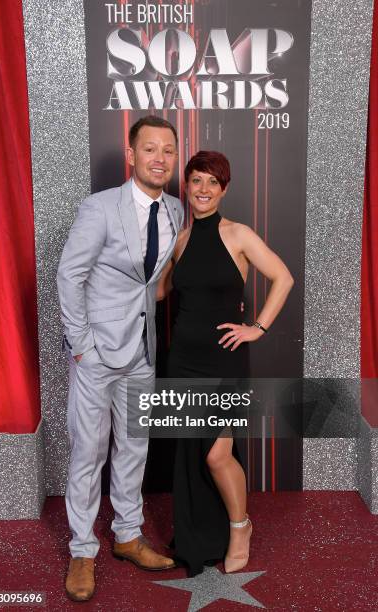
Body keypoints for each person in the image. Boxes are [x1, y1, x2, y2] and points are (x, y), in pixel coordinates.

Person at [57, 115, 184, 601]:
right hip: (97, 353)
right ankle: (83, 549)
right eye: (150, 149)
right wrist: (81, 344)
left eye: (168, 151)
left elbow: (153, 283)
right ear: (131, 156)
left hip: (143, 349)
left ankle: (127, 535)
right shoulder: (100, 207)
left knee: (134, 446)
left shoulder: (174, 209)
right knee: (88, 450)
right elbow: (70, 276)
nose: (159, 158)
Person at [157, 150, 294, 577]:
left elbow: (283, 277)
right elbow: (159, 292)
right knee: (189, 454)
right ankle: (200, 535)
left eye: (212, 182)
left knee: (217, 454)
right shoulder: (178, 240)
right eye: (196, 180)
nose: (202, 189)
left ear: (224, 189)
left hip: (224, 360)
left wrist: (257, 327)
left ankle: (240, 527)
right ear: (187, 186)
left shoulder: (238, 234)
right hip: (181, 361)